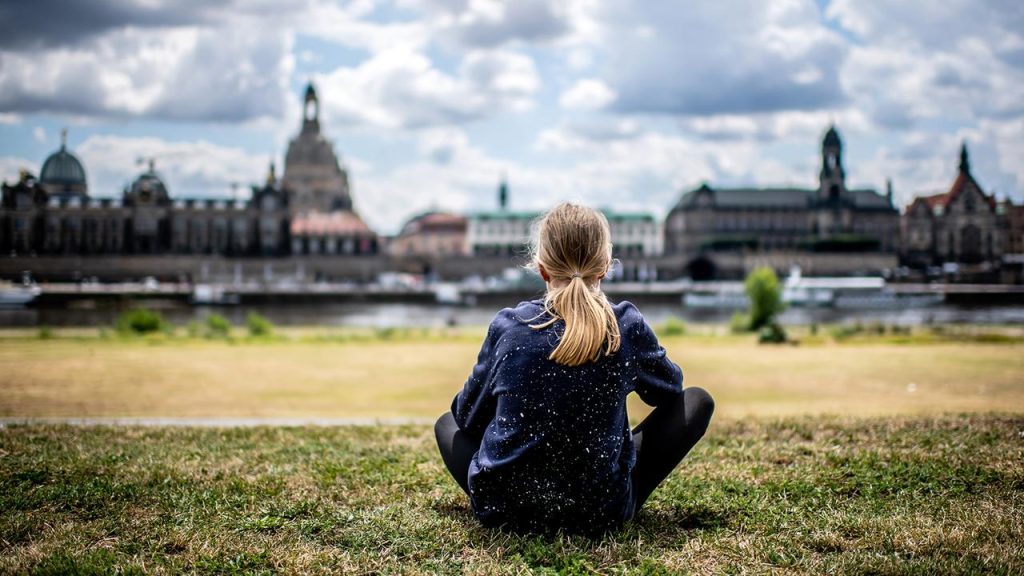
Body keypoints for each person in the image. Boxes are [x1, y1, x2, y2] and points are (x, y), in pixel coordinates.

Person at [434, 202, 714, 534]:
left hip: (506, 510)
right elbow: (670, 392)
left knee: (446, 423)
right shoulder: (624, 324)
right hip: (599, 512)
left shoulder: (509, 327)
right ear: (606, 267)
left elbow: (465, 416)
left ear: (541, 269)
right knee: (698, 401)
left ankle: (509, 482)